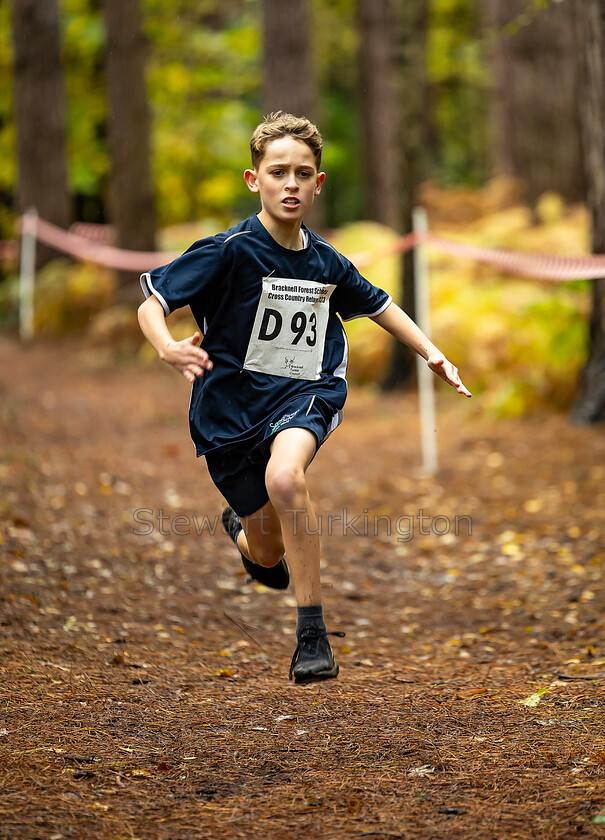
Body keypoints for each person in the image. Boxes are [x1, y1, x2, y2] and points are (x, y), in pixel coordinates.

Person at [137, 111, 471, 685]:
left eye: (303, 173)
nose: (290, 184)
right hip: (228, 414)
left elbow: (379, 305)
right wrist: (167, 346)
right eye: (278, 172)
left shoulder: (325, 261)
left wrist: (431, 352)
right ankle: (244, 537)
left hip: (305, 393)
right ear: (254, 179)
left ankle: (312, 637)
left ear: (319, 183)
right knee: (266, 554)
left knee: (287, 478)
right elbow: (151, 303)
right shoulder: (226, 251)